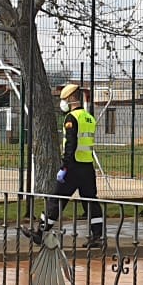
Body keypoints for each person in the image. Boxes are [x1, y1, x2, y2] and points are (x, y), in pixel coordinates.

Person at [27, 83, 104, 247]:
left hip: (73, 167)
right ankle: (98, 236)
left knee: (56, 199)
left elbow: (71, 144)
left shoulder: (71, 118)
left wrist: (64, 167)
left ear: (71, 99)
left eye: (63, 99)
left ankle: (41, 232)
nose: (62, 103)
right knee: (90, 201)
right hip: (87, 166)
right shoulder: (89, 117)